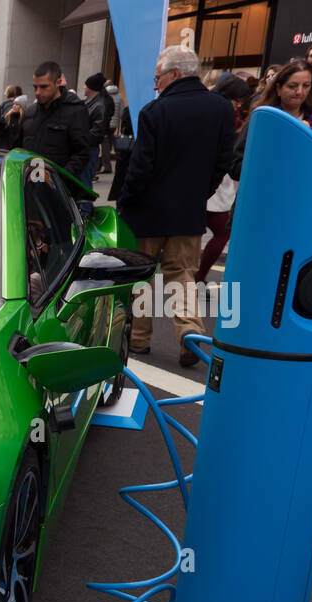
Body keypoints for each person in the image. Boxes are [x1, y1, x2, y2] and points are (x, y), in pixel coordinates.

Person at [116, 45, 235, 368]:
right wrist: (201, 191)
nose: (155, 85)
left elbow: (140, 168)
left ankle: (139, 339)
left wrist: (125, 201)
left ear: (174, 74)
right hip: (188, 210)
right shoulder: (222, 109)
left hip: (147, 212)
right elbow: (225, 160)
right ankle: (189, 334)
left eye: (158, 78)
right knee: (181, 273)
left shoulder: (155, 112)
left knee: (141, 274)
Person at [194, 73, 251, 284]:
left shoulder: (212, 110)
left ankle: (194, 276)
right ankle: (195, 276)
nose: (238, 105)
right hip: (212, 184)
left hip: (212, 184)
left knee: (211, 233)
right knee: (219, 232)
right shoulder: (222, 115)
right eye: (236, 100)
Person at [6, 61, 91, 176]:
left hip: (57, 187)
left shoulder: (75, 111)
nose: (38, 92)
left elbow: (82, 153)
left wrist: (60, 180)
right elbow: (18, 148)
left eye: (43, 87)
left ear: (58, 82)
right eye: (35, 87)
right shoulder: (30, 112)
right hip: (29, 184)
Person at [81, 73, 115, 183]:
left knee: (84, 183)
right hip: (86, 147)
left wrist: (80, 137)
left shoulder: (99, 105)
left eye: (86, 85)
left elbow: (97, 131)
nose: (84, 87)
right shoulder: (90, 103)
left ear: (91, 88)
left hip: (89, 148)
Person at [99, 83, 124, 173]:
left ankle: (105, 165)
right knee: (108, 144)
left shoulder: (104, 96)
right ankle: (103, 163)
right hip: (114, 124)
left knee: (105, 145)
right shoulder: (120, 96)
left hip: (106, 123)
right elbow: (121, 111)